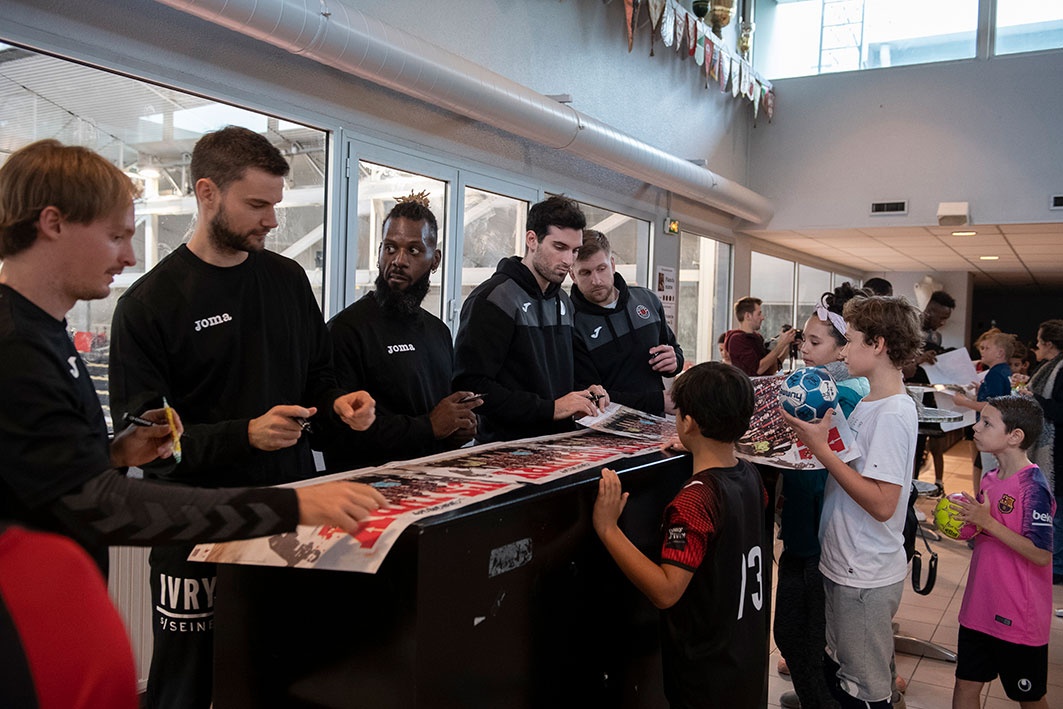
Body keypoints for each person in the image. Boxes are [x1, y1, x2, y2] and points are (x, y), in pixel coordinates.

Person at [0, 140, 385, 705]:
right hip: (37, 616)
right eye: (116, 236)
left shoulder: (44, 332)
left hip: (60, 601)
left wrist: (115, 453)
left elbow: (49, 471)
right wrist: (291, 503)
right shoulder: (24, 343)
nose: (129, 255)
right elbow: (100, 503)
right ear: (53, 224)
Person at [108, 126, 378, 709]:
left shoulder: (287, 280)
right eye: (257, 205)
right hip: (194, 531)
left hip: (289, 518)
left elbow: (319, 376)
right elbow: (147, 445)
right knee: (187, 684)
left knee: (283, 673)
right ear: (207, 193)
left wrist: (340, 405)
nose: (272, 221)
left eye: (275, 205)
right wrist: (244, 435)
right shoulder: (149, 304)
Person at [593, 362, 768, 708]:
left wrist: (608, 529)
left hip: (706, 676)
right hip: (744, 662)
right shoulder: (749, 475)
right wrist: (699, 448)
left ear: (687, 422)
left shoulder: (696, 499)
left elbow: (666, 591)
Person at [784, 296, 922, 709]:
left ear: (878, 344)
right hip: (844, 562)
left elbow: (882, 504)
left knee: (865, 692)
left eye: (852, 340)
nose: (843, 352)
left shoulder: (893, 413)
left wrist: (821, 450)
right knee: (840, 675)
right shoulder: (869, 402)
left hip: (865, 573)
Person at [323, 194, 481, 471]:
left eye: (414, 250)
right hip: (370, 486)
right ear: (379, 253)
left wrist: (456, 429)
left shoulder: (439, 332)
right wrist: (429, 426)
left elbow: (437, 421)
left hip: (435, 479)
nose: (398, 260)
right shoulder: (346, 330)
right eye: (390, 248)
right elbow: (337, 434)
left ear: (435, 260)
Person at [775, 283, 869, 709]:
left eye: (816, 342)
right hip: (802, 534)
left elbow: (819, 474)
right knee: (794, 634)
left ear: (844, 347)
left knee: (808, 640)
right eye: (804, 340)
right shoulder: (814, 387)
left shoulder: (841, 397)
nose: (805, 348)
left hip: (821, 542)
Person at [452, 195, 608, 442]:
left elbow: (565, 375)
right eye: (559, 247)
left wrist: (587, 391)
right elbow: (471, 386)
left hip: (559, 444)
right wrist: (550, 409)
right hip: (505, 449)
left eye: (575, 251)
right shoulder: (493, 298)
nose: (568, 260)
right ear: (532, 240)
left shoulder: (563, 301)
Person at [949, 395, 1054, 709]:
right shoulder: (990, 478)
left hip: (1018, 616)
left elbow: (1041, 554)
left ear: (1015, 436)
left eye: (986, 423)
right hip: (978, 608)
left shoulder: (1033, 487)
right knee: (965, 685)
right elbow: (986, 530)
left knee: (1029, 697)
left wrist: (987, 523)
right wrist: (964, 523)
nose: (976, 428)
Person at [570, 230, 683, 416]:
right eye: (585, 273)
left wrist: (675, 361)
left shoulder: (647, 300)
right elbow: (591, 396)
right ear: (573, 275)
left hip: (655, 423)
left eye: (601, 269)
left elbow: (674, 350)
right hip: (604, 427)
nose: (596, 280)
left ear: (612, 264)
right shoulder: (571, 323)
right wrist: (656, 401)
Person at [904, 289, 957, 495]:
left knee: (921, 445)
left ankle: (916, 487)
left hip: (927, 394)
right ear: (930, 311)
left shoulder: (936, 336)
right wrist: (919, 359)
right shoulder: (909, 329)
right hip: (907, 392)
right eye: (941, 317)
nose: (942, 323)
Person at [953, 330, 1014, 491]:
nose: (982, 351)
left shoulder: (995, 373)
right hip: (1000, 429)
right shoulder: (1004, 370)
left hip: (991, 430)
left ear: (1000, 353)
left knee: (989, 472)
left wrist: (964, 402)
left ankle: (986, 502)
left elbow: (991, 406)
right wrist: (981, 391)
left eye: (987, 348)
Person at [1026, 319, 1063, 584]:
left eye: (1039, 341)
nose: (1036, 346)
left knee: (1058, 511)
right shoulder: (1049, 367)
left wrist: (1034, 398)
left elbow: (1059, 410)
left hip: (1057, 450)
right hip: (1054, 447)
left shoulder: (1060, 370)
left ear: (1049, 344)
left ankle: (1057, 567)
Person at [725, 296, 796, 377]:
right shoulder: (737, 340)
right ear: (748, 316)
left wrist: (787, 346)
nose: (762, 318)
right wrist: (781, 344)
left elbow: (770, 368)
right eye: (759, 314)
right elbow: (758, 369)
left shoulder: (757, 338)